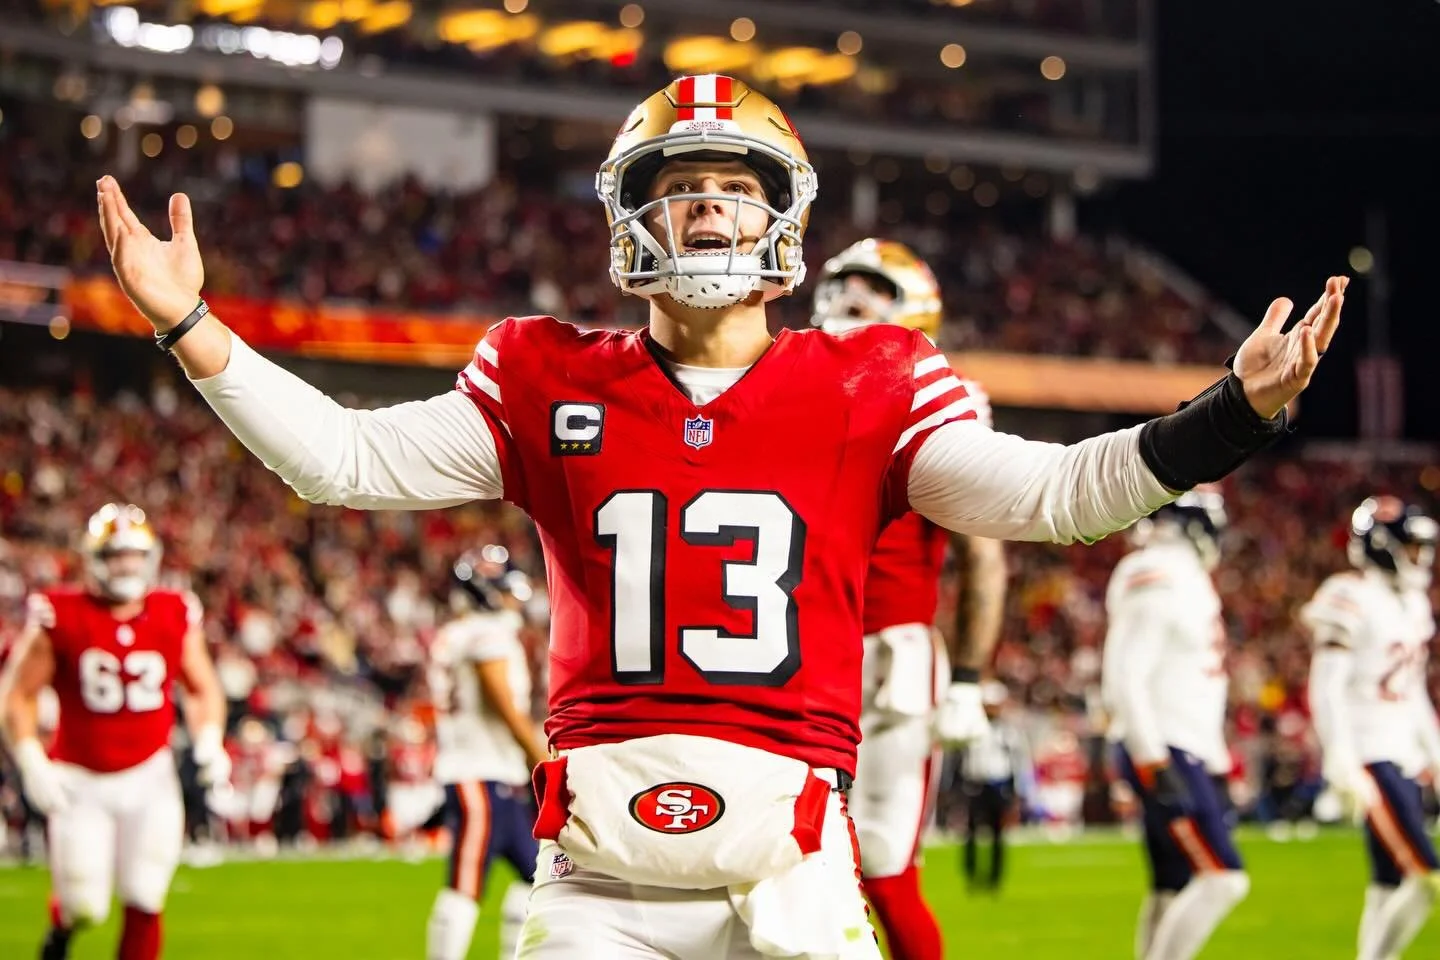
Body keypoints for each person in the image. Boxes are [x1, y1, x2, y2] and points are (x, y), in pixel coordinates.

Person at [96, 72, 1342, 958]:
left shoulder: (870, 380)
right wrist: (192, 328)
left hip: (791, 875)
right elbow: (342, 461)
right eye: (678, 183)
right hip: (598, 888)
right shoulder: (545, 374)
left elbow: (1058, 495)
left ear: (781, 217)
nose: (706, 207)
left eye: (732, 187)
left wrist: (1228, 415)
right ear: (632, 214)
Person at [813, 238, 1007, 960]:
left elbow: (982, 555)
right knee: (784, 863)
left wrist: (968, 680)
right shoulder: (786, 387)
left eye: (873, 290)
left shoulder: (941, 407)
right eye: (840, 287)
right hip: (794, 655)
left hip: (889, 657)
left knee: (885, 869)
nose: (848, 303)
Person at [0, 503, 230, 960]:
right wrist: (30, 760)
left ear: (150, 558)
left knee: (146, 895)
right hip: (81, 778)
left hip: (150, 775)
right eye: (115, 554)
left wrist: (210, 739)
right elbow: (18, 695)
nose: (126, 565)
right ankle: (61, 929)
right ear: (93, 558)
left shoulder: (173, 611)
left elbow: (203, 687)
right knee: (85, 905)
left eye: (133, 554)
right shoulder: (60, 613)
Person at [1101, 488, 1249, 960]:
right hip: (1164, 745)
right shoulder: (1160, 569)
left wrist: (1216, 760)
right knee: (1224, 879)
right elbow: (1124, 674)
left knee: (1172, 882)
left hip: (1180, 743)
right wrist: (1151, 757)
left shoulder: (1182, 575)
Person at [1304, 496, 1440, 960]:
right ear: (1385, 546)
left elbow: (1413, 691)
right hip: (1369, 754)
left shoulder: (1412, 603)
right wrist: (1340, 758)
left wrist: (1435, 754)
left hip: (1401, 754)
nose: (1423, 558)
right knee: (1427, 878)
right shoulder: (1351, 595)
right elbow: (1326, 687)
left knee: (1388, 883)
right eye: (1415, 547)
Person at [426, 546, 548, 960]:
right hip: (478, 772)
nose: (514, 598)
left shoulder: (458, 633)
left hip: (496, 773)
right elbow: (507, 710)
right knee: (465, 881)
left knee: (537, 876)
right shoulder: (487, 636)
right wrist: (542, 759)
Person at [959, 681, 1027, 894]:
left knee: (998, 834)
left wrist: (1017, 790)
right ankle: (972, 875)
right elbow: (962, 758)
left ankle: (994, 878)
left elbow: (1019, 761)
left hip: (999, 786)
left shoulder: (1009, 732)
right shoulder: (972, 728)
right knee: (971, 834)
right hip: (976, 785)